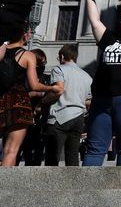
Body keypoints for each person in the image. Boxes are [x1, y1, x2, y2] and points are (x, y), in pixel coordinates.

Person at [81, 0, 121, 166]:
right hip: (102, 99)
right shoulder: (109, 38)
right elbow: (94, 21)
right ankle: (87, 190)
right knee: (95, 148)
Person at [0, 25, 60, 166]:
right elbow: (34, 85)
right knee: (11, 150)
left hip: (1, 98)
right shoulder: (27, 55)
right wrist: (52, 87)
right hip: (18, 102)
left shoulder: (1, 51)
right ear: (25, 35)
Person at [43, 44, 92, 166]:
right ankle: (73, 183)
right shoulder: (87, 76)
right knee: (72, 154)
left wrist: (42, 101)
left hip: (60, 115)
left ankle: (50, 182)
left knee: (52, 155)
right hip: (78, 117)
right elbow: (88, 100)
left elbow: (58, 90)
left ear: (62, 56)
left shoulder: (59, 69)